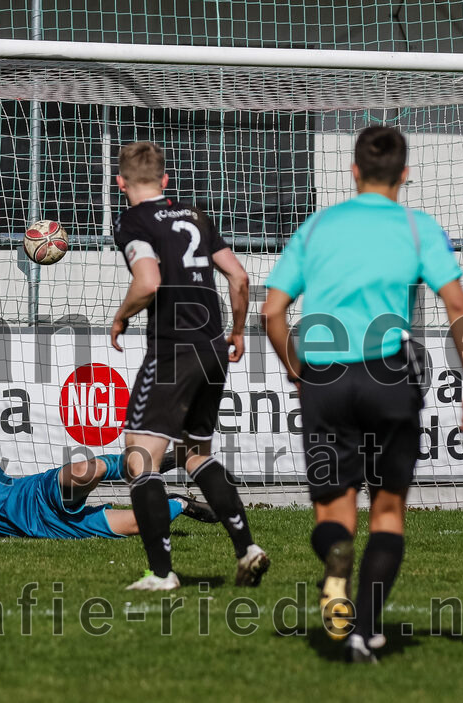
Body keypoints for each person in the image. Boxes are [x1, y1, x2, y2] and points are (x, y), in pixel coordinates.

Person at [262, 126, 463, 662]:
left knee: (334, 513)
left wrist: (297, 371)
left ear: (354, 171)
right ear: (404, 174)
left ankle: (337, 565)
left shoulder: (318, 226)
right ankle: (363, 629)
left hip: (325, 378)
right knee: (387, 513)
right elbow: (458, 306)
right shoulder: (416, 227)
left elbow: (271, 311)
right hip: (388, 376)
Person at [110, 141, 269, 591]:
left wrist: (121, 317)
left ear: (120, 183)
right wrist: (238, 331)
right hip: (213, 345)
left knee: (141, 459)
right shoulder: (196, 215)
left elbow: (148, 281)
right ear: (165, 180)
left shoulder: (133, 221)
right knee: (195, 453)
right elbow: (239, 276)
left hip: (173, 351)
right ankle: (247, 548)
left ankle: (162, 574)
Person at [0, 430, 219, 540]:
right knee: (140, 524)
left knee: (84, 470)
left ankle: (147, 464)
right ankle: (180, 502)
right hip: (48, 529)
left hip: (34, 495)